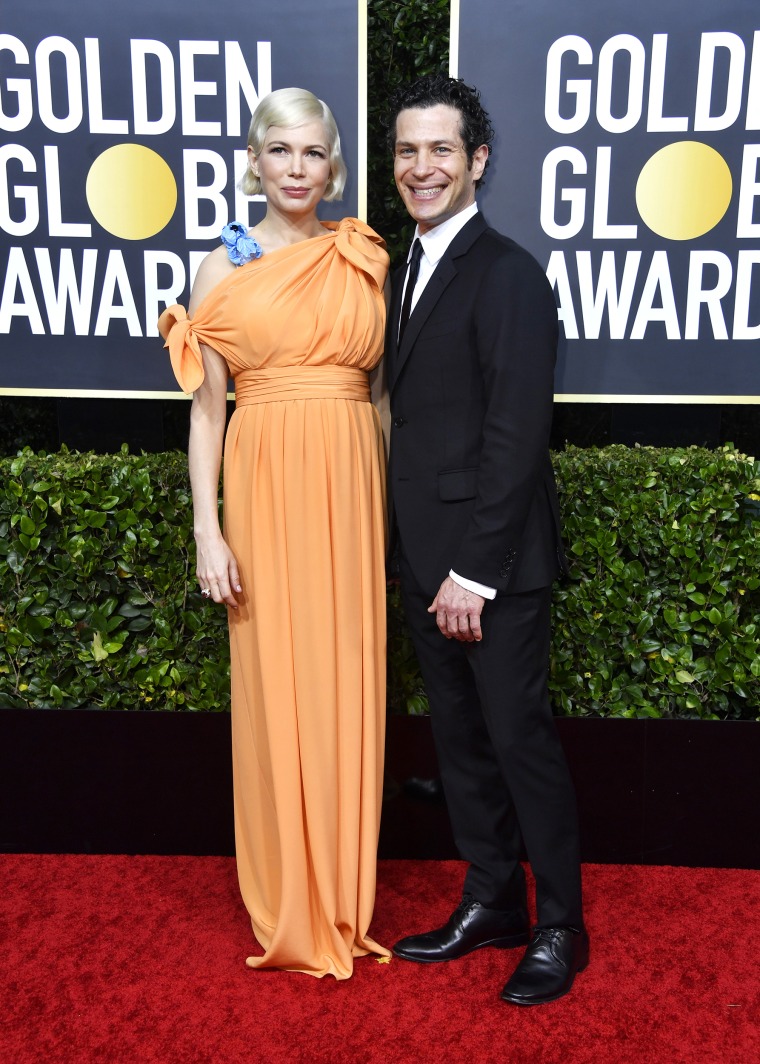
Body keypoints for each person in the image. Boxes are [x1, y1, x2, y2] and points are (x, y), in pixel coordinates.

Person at [158, 87, 390, 979]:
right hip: (266, 482)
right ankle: (293, 899)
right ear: (253, 161)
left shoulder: (360, 252)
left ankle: (343, 890)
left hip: (353, 483)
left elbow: (381, 397)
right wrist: (208, 532)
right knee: (277, 679)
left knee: (347, 677)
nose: (298, 171)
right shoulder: (220, 269)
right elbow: (208, 416)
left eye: (314, 156)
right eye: (281, 154)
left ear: (334, 165)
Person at [385, 74, 588, 1005]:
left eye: (441, 150)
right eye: (407, 151)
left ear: (479, 161)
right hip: (423, 558)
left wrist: (475, 571)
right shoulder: (401, 267)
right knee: (462, 744)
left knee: (517, 739)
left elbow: (517, 433)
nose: (421, 167)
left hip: (487, 567)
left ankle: (560, 927)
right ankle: (492, 899)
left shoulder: (507, 272)